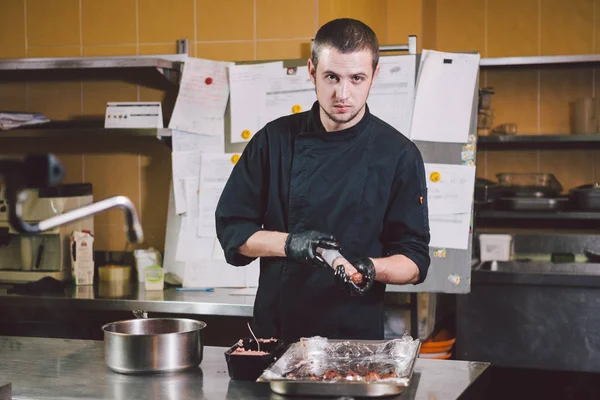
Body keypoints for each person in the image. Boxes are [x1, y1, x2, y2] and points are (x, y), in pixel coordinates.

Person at [215, 18, 430, 343]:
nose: (343, 94)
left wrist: (369, 268)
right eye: (332, 77)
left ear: (375, 74)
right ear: (312, 70)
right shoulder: (273, 141)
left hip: (354, 341)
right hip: (276, 334)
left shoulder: (399, 155)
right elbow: (233, 230)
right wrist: (291, 244)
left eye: (357, 78)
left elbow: (414, 260)